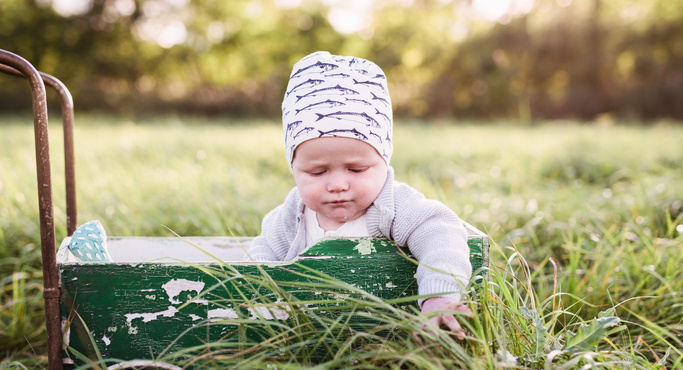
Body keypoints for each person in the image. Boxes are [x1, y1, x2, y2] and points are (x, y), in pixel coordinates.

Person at [244, 51, 473, 337]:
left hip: (387, 331)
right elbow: (263, 253)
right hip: (311, 335)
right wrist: (264, 299)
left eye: (356, 169)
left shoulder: (392, 205)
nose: (338, 184)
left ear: (383, 162)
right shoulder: (293, 215)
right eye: (318, 172)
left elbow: (441, 232)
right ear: (293, 168)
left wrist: (439, 295)